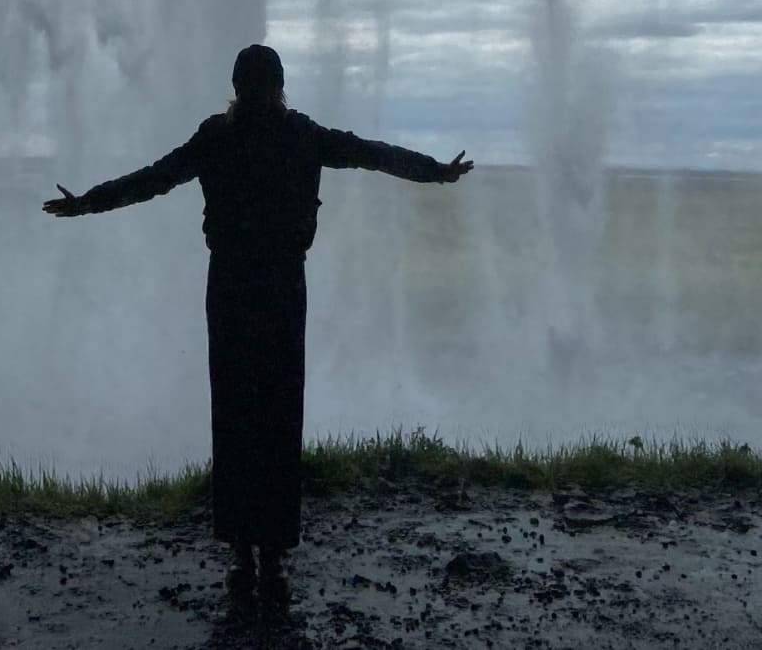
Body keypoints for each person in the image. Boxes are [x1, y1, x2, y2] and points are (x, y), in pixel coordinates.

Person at [43, 43, 473, 600]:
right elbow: (371, 153)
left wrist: (87, 204)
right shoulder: (300, 135)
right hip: (281, 288)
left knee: (235, 411)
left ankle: (243, 548)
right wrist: (434, 172)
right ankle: (270, 552)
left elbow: (153, 178)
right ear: (278, 86)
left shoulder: (218, 137)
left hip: (230, 289)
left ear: (238, 85)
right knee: (277, 411)